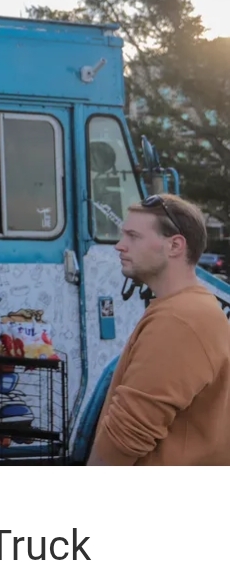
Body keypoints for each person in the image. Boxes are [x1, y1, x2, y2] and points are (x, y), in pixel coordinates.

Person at [89, 195, 230, 466]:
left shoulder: (180, 319)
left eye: (133, 236)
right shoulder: (187, 307)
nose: (119, 245)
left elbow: (127, 434)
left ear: (174, 245)